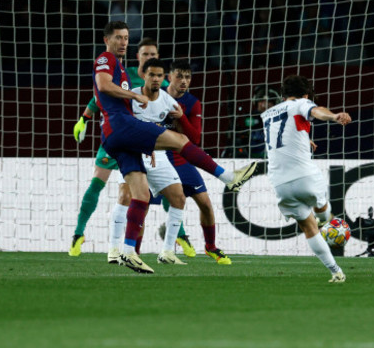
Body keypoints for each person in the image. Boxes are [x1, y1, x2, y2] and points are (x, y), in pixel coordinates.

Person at [93, 21, 256, 274]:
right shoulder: (106, 59)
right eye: (118, 38)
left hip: (119, 137)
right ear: (107, 40)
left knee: (142, 196)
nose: (123, 42)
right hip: (121, 128)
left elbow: (102, 94)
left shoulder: (124, 71)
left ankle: (127, 252)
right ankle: (228, 177)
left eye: (126, 37)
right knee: (179, 142)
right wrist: (134, 96)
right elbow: (102, 86)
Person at [69, 37, 170, 260]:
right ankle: (78, 233)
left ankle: (126, 248)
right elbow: (100, 95)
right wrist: (84, 118)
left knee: (139, 192)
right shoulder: (124, 71)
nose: (149, 58)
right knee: (97, 181)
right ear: (138, 57)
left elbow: (166, 105)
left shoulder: (160, 83)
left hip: (137, 140)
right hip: (116, 133)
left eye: (153, 55)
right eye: (145, 54)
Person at [261, 74, 351, 283]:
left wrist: (304, 138)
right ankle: (328, 221)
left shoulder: (267, 113)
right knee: (322, 210)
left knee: (307, 227)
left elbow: (283, 135)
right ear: (306, 94)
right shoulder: (302, 102)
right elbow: (316, 111)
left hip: (280, 182)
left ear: (283, 94)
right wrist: (334, 116)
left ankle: (336, 271)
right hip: (305, 176)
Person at [109, 58, 189, 265]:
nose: (155, 79)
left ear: (164, 78)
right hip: (133, 152)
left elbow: (188, 135)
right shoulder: (130, 97)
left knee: (179, 198)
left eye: (159, 76)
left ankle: (168, 252)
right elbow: (118, 126)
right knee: (125, 196)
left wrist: (182, 118)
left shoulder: (169, 102)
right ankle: (114, 249)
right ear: (143, 75)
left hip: (157, 154)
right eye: (151, 74)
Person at [156, 59, 232, 265]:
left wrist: (181, 117)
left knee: (205, 204)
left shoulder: (192, 103)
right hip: (156, 158)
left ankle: (211, 247)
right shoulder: (157, 95)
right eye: (179, 76)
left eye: (187, 77)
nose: (183, 81)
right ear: (169, 76)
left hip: (181, 158)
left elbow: (195, 138)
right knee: (140, 204)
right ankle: (130, 250)